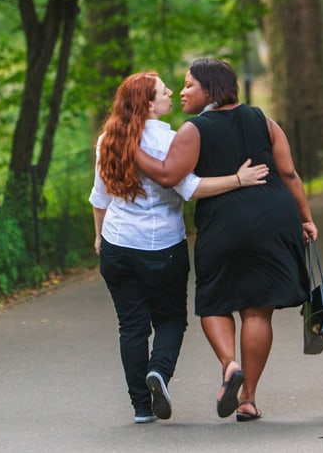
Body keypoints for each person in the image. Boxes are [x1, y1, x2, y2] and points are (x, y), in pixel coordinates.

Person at [135, 58, 318, 422]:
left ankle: (229, 364)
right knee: (257, 309)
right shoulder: (262, 119)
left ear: (210, 89)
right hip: (274, 218)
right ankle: (248, 398)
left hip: (225, 223)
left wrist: (130, 149)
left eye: (189, 85)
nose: (183, 91)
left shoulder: (194, 129)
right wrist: (306, 218)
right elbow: (289, 172)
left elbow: (170, 176)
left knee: (214, 301)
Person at [89, 70, 269, 425]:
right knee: (170, 318)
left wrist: (98, 237)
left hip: (117, 242)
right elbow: (190, 187)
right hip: (163, 246)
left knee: (132, 325)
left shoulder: (107, 139)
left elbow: (100, 197)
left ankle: (141, 406)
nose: (171, 92)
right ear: (148, 104)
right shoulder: (172, 139)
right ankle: (159, 371)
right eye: (162, 91)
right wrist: (239, 179)